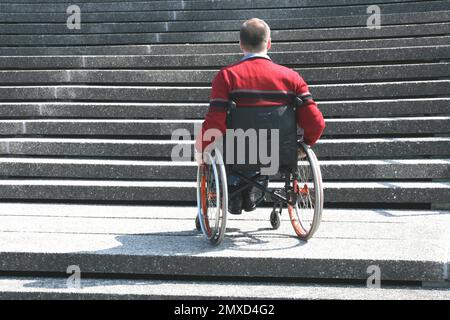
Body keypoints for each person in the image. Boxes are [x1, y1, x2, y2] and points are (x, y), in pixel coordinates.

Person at [195, 18, 325, 215]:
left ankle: (236, 191)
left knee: (222, 146)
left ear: (240, 44)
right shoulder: (292, 77)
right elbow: (316, 122)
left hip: (238, 152)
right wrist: (305, 143)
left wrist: (201, 150)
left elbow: (215, 123)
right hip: (279, 152)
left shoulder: (227, 76)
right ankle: (252, 189)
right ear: (269, 43)